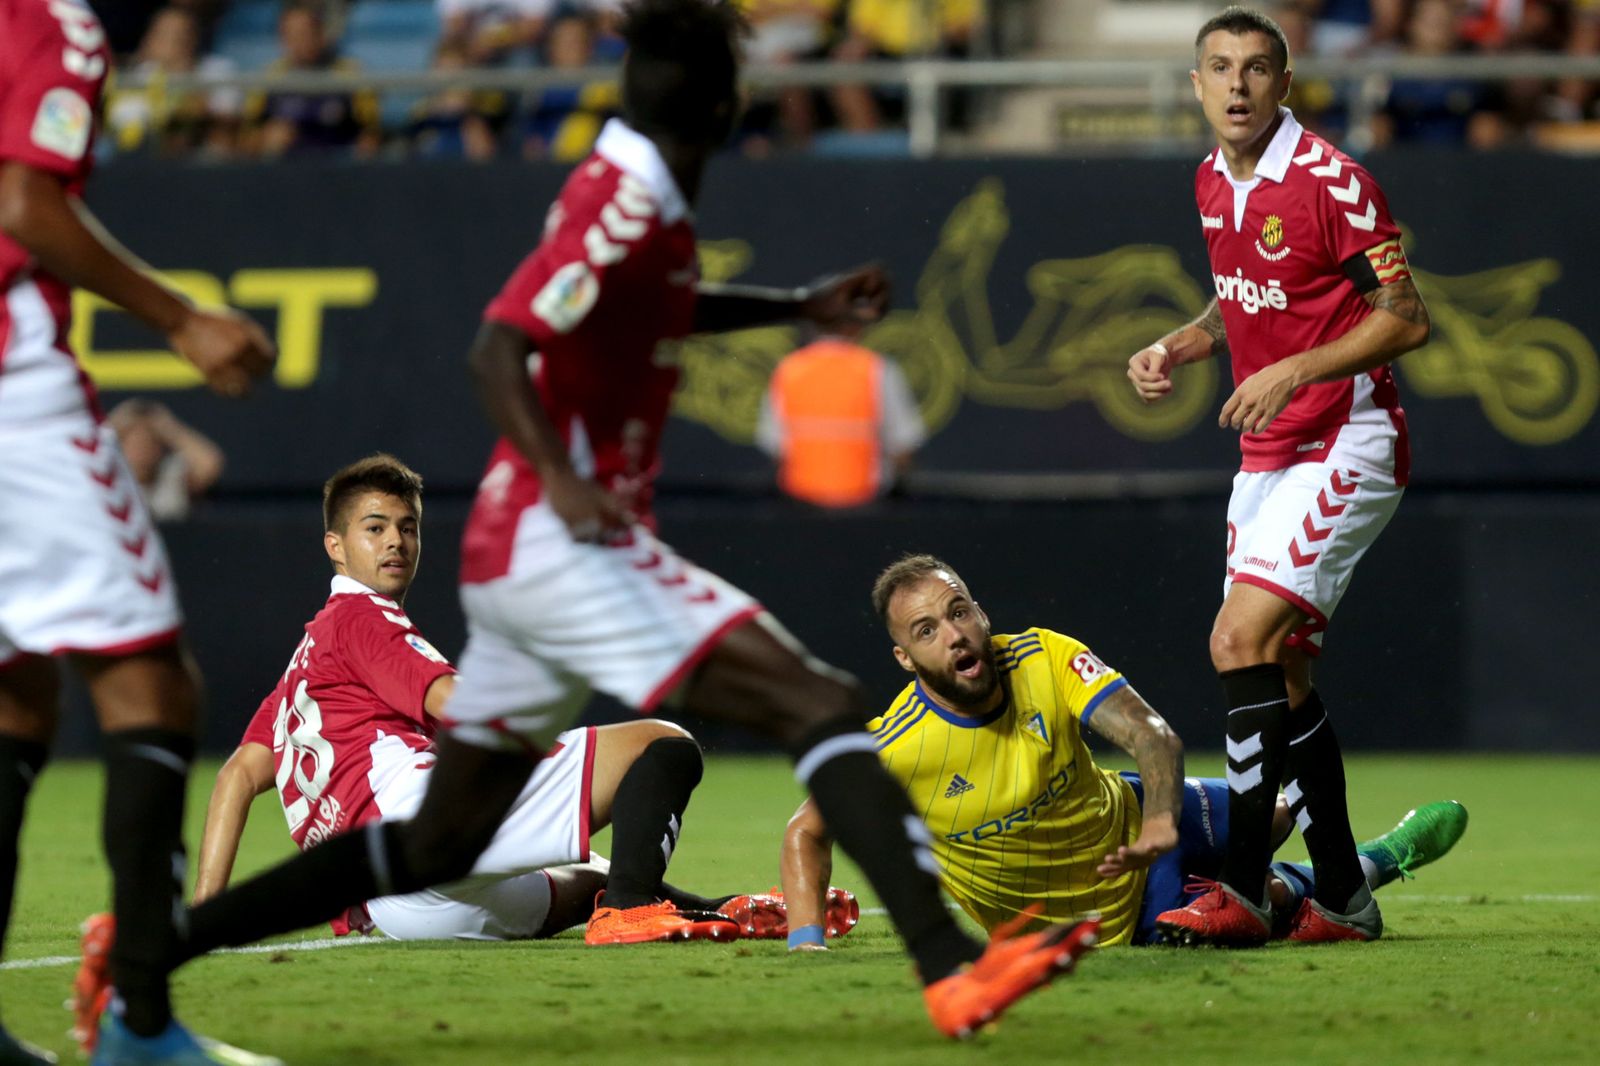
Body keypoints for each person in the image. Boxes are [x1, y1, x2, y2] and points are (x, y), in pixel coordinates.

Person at [77, 1, 1101, 1050]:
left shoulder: (641, 196)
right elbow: (497, 344)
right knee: (815, 698)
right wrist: (564, 479)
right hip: (559, 543)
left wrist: (798, 303)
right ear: (713, 106)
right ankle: (951, 969)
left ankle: (154, 950)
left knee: (440, 841)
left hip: (527, 553)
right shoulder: (619, 198)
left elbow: (656, 299)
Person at [192, 453, 848, 944]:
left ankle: (724, 908)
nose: (396, 540)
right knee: (663, 746)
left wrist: (206, 916)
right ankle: (630, 914)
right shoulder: (360, 619)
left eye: (407, 526)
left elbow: (237, 777)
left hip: (399, 910)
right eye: (374, 528)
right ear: (336, 547)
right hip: (423, 827)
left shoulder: (303, 666)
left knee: (593, 877)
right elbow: (455, 705)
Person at [0, 0, 276, 1062]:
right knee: (149, 685)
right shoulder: (53, 22)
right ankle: (144, 1024)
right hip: (15, 393)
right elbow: (24, 199)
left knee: (17, 689)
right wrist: (180, 315)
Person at [1126, 6, 1432, 947]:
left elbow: (1406, 318)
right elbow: (1246, 293)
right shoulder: (1212, 181)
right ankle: (1341, 893)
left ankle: (1248, 889)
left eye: (1256, 69)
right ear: (1196, 84)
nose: (1237, 86)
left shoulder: (1332, 181)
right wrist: (1186, 342)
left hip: (1349, 435)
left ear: (1286, 83)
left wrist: (1295, 368)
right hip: (1269, 455)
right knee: (1283, 678)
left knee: (1236, 641)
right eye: (1219, 68)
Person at [780, 554, 1467, 949]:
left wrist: (1160, 822)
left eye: (959, 610)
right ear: (905, 657)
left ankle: (1306, 868)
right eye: (928, 630)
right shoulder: (892, 747)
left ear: (981, 612)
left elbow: (1151, 734)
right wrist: (806, 949)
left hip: (1136, 816)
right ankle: (1378, 861)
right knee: (1248, 909)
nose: (954, 635)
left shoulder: (1044, 655)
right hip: (1109, 916)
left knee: (1275, 816)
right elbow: (806, 832)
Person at [755, 314, 926, 508]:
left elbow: (775, 447)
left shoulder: (788, 370)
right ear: (856, 327)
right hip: (866, 503)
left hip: (802, 503)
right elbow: (903, 447)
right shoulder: (877, 369)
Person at [241, 2, 381, 159]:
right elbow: (246, 139)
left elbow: (371, 134)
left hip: (337, 168)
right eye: (292, 35)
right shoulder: (269, 78)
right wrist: (265, 137)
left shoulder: (350, 74)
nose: (300, 42)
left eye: (306, 33)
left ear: (320, 33)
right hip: (283, 170)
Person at [107, 400, 225, 522]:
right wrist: (115, 424)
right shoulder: (109, 478)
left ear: (161, 448)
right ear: (121, 446)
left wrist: (168, 427)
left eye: (149, 443)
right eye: (135, 444)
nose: (142, 451)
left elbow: (210, 464)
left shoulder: (173, 475)